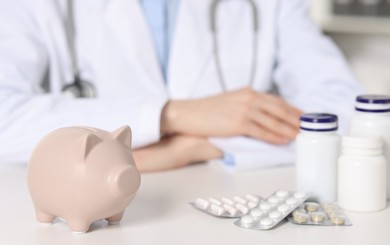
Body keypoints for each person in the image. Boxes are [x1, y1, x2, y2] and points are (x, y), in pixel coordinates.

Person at [0, 0, 361, 172]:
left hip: (229, 216)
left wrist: (202, 146)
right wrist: (170, 116)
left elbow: (351, 113)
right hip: (80, 220)